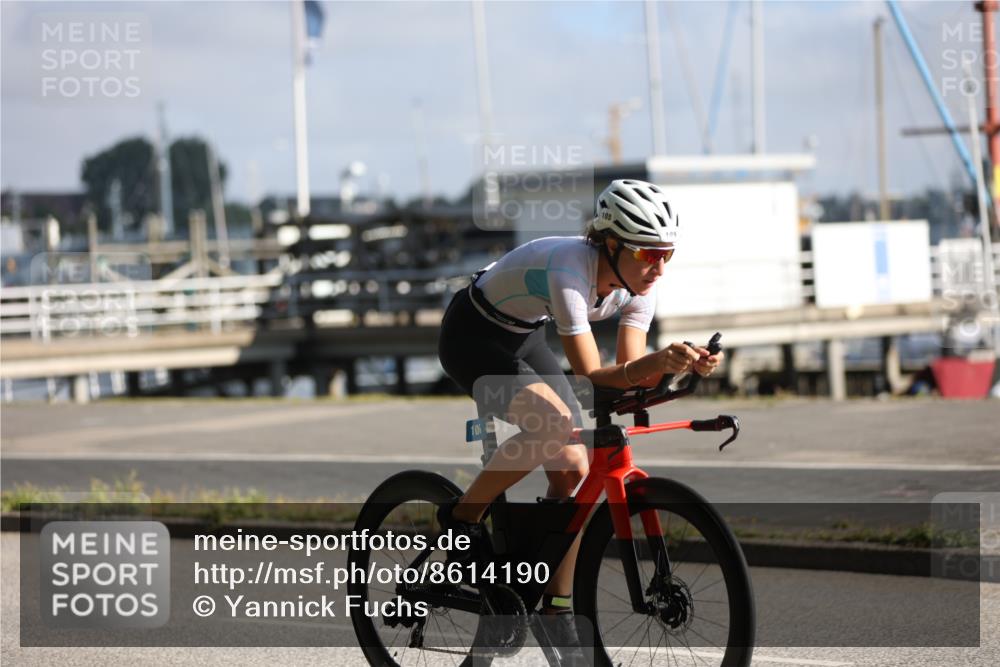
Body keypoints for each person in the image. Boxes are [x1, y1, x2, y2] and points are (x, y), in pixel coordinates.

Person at [436, 179, 724, 662]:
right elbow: (594, 374)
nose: (657, 267)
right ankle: (462, 518)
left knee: (572, 467)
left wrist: (680, 366)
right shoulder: (570, 269)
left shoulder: (640, 287)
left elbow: (626, 377)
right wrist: (656, 362)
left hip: (525, 335)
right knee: (550, 426)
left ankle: (555, 605)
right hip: (472, 335)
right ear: (611, 244)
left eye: (666, 255)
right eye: (648, 253)